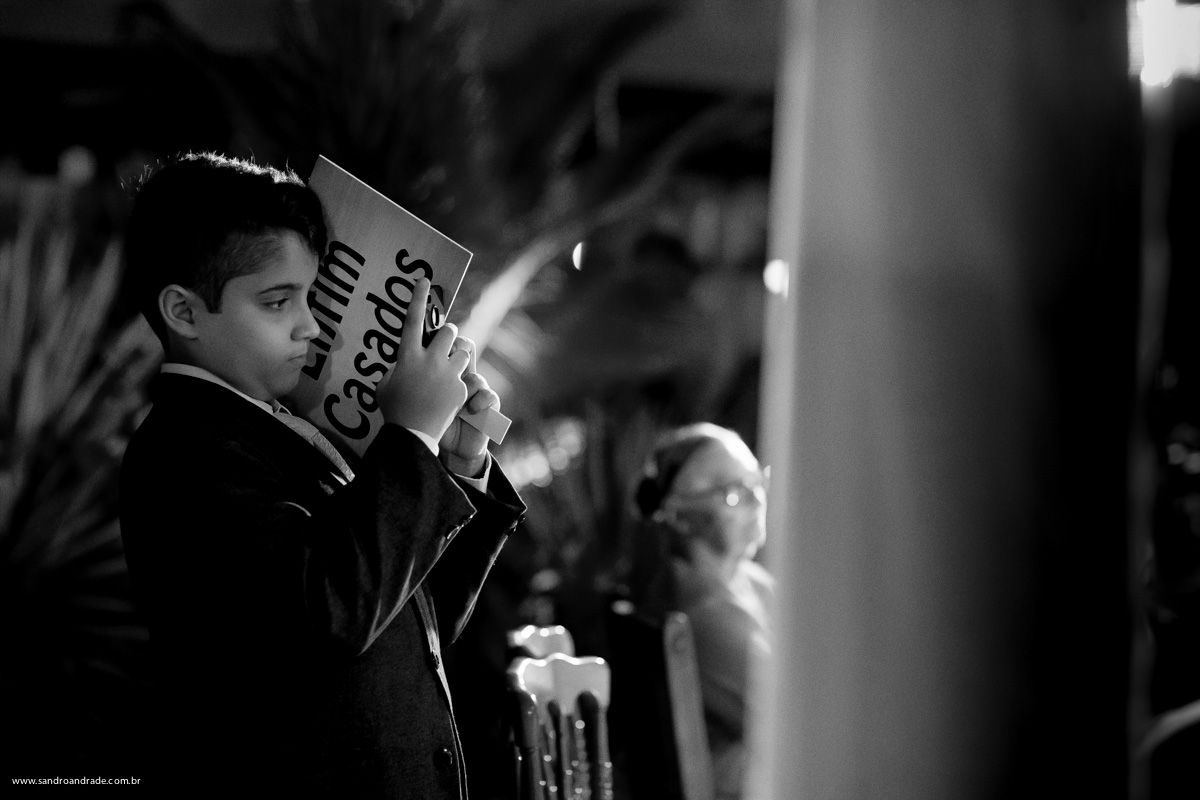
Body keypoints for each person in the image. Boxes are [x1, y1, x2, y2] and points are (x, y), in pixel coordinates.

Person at [118, 152, 526, 798]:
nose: (311, 326)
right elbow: (328, 616)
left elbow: (406, 618)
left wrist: (458, 461)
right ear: (184, 312)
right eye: (277, 302)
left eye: (311, 295)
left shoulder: (283, 426)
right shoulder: (186, 451)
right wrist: (410, 437)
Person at [632, 422, 773, 800]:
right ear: (679, 515)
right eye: (732, 493)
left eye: (758, 481)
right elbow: (802, 724)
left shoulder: (750, 580)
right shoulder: (707, 615)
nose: (758, 499)